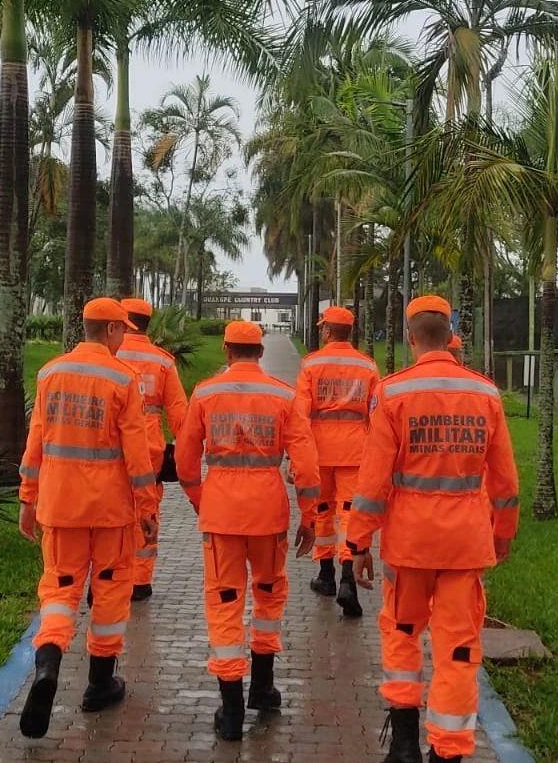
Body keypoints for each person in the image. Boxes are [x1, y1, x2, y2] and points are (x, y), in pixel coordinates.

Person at [347, 296, 519, 763]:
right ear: (450, 335)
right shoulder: (486, 394)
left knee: (403, 635)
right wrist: (501, 533)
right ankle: (450, 752)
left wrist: (357, 542)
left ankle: (403, 746)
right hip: (465, 546)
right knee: (458, 650)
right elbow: (504, 481)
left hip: (408, 547)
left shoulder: (393, 393)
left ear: (410, 338)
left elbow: (373, 479)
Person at [18, 298, 159, 739]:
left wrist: (27, 498)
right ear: (114, 330)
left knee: (59, 589)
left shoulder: (49, 374)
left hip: (60, 508)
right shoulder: (124, 379)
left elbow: (36, 440)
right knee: (111, 591)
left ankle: (48, 666)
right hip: (111, 511)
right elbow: (137, 453)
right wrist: (148, 508)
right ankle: (99, 683)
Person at [176, 320, 320, 741]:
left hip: (221, 512)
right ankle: (263, 685)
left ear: (225, 350)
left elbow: (185, 460)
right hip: (268, 514)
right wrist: (310, 515)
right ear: (259, 352)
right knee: (269, 594)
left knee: (224, 601)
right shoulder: (282, 394)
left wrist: (201, 499)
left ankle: (232, 705)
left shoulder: (204, 393)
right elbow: (306, 464)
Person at [295, 305, 379, 617]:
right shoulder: (368, 367)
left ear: (328, 331)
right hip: (355, 451)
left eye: (322, 328)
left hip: (317, 450)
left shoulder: (311, 365)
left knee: (322, 511)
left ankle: (326, 574)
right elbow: (377, 414)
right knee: (349, 514)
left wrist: (298, 456)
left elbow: (299, 415)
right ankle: (348, 576)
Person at [117, 297, 188, 601]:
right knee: (146, 512)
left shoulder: (110, 352)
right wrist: (186, 455)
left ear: (123, 321)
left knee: (113, 513)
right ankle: (140, 581)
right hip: (149, 452)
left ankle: (110, 576)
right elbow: (179, 414)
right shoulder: (162, 362)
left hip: (111, 448)